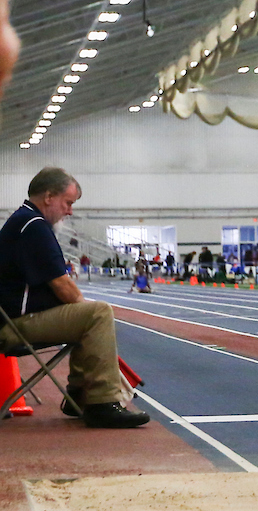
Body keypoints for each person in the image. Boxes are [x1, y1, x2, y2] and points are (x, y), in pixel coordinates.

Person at [0, 168, 149, 428]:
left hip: (12, 319)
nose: (69, 211)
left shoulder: (24, 221)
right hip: (14, 325)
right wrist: (84, 308)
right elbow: (62, 285)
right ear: (48, 197)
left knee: (86, 317)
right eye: (68, 203)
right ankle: (102, 403)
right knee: (97, 313)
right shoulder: (34, 227)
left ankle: (80, 395)